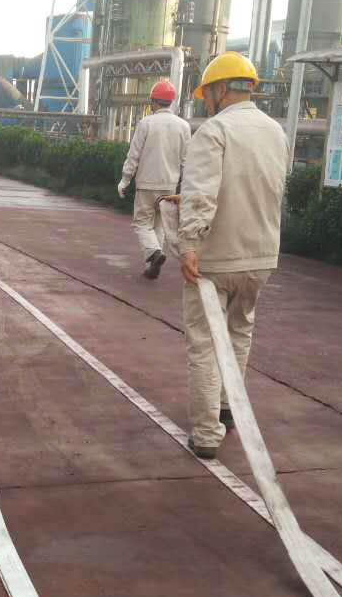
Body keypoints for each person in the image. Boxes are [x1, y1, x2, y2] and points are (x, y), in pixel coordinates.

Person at [177, 52, 287, 459]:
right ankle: (227, 407)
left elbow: (201, 192)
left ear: (222, 89)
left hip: (217, 257)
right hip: (260, 255)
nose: (206, 101)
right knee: (240, 331)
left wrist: (189, 242)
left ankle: (207, 434)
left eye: (208, 93)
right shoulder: (276, 132)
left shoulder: (214, 131)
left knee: (205, 342)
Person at [117, 78, 190, 280]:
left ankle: (154, 253)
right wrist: (185, 186)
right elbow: (187, 160)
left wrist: (125, 179)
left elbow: (134, 155)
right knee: (159, 225)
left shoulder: (146, 123)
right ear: (171, 101)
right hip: (170, 185)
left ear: (153, 101)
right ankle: (152, 265)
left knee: (141, 223)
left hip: (147, 184)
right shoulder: (183, 126)